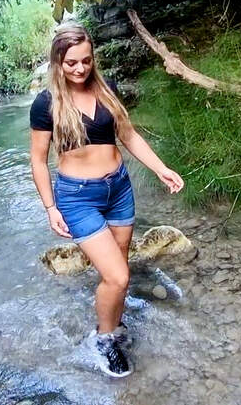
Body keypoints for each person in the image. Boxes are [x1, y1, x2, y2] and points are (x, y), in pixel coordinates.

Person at [29, 23, 184, 378]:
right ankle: (103, 340)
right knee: (117, 276)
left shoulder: (107, 88)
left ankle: (112, 323)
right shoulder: (46, 103)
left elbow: (128, 135)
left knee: (119, 272)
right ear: (57, 62)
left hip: (119, 189)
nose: (80, 69)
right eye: (71, 63)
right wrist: (50, 207)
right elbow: (37, 160)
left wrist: (161, 169)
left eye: (86, 60)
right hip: (77, 197)